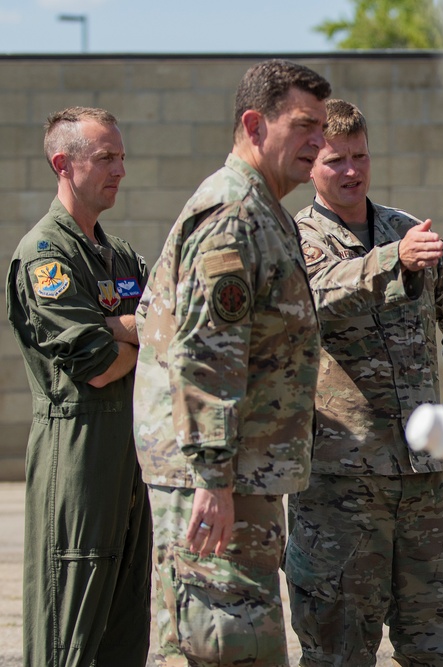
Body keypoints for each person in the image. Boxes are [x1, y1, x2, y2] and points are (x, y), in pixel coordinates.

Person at [132, 59, 330, 666]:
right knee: (229, 646)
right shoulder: (234, 214)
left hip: (242, 475)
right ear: (254, 124)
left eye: (321, 127)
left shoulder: (262, 209)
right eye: (303, 125)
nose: (318, 142)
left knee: (206, 643)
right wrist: (213, 478)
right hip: (223, 481)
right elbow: (204, 357)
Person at [284, 99, 443, 667]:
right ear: (308, 166)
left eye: (360, 157)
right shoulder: (292, 240)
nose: (351, 172)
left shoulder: (409, 232)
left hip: (428, 483)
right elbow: (312, 303)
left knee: (437, 643)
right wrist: (390, 263)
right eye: (335, 161)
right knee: (338, 650)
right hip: (340, 487)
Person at [6, 107, 151, 666]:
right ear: (63, 163)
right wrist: (140, 332)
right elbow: (96, 364)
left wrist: (123, 329)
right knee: (70, 626)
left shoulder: (120, 256)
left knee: (124, 627)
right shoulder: (46, 254)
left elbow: (167, 326)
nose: (120, 169)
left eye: (122, 156)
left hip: (130, 456)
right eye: (106, 157)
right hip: (79, 452)